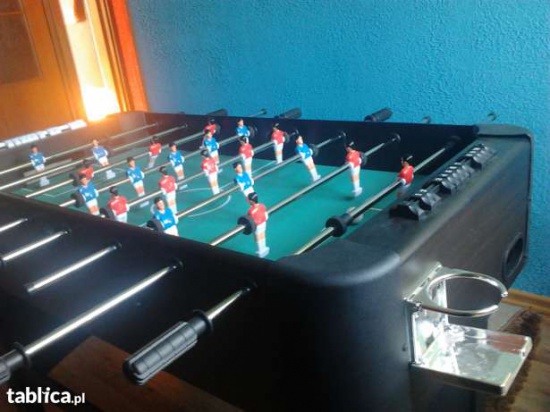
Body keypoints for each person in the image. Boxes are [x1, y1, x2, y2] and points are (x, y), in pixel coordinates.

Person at [247, 192, 269, 258]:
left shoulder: (250, 210)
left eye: (249, 200)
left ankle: (260, 250)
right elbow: (266, 215)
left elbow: (248, 218)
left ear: (251, 201)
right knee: (262, 234)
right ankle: (264, 248)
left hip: (257, 226)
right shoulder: (262, 205)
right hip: (264, 223)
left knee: (257, 237)